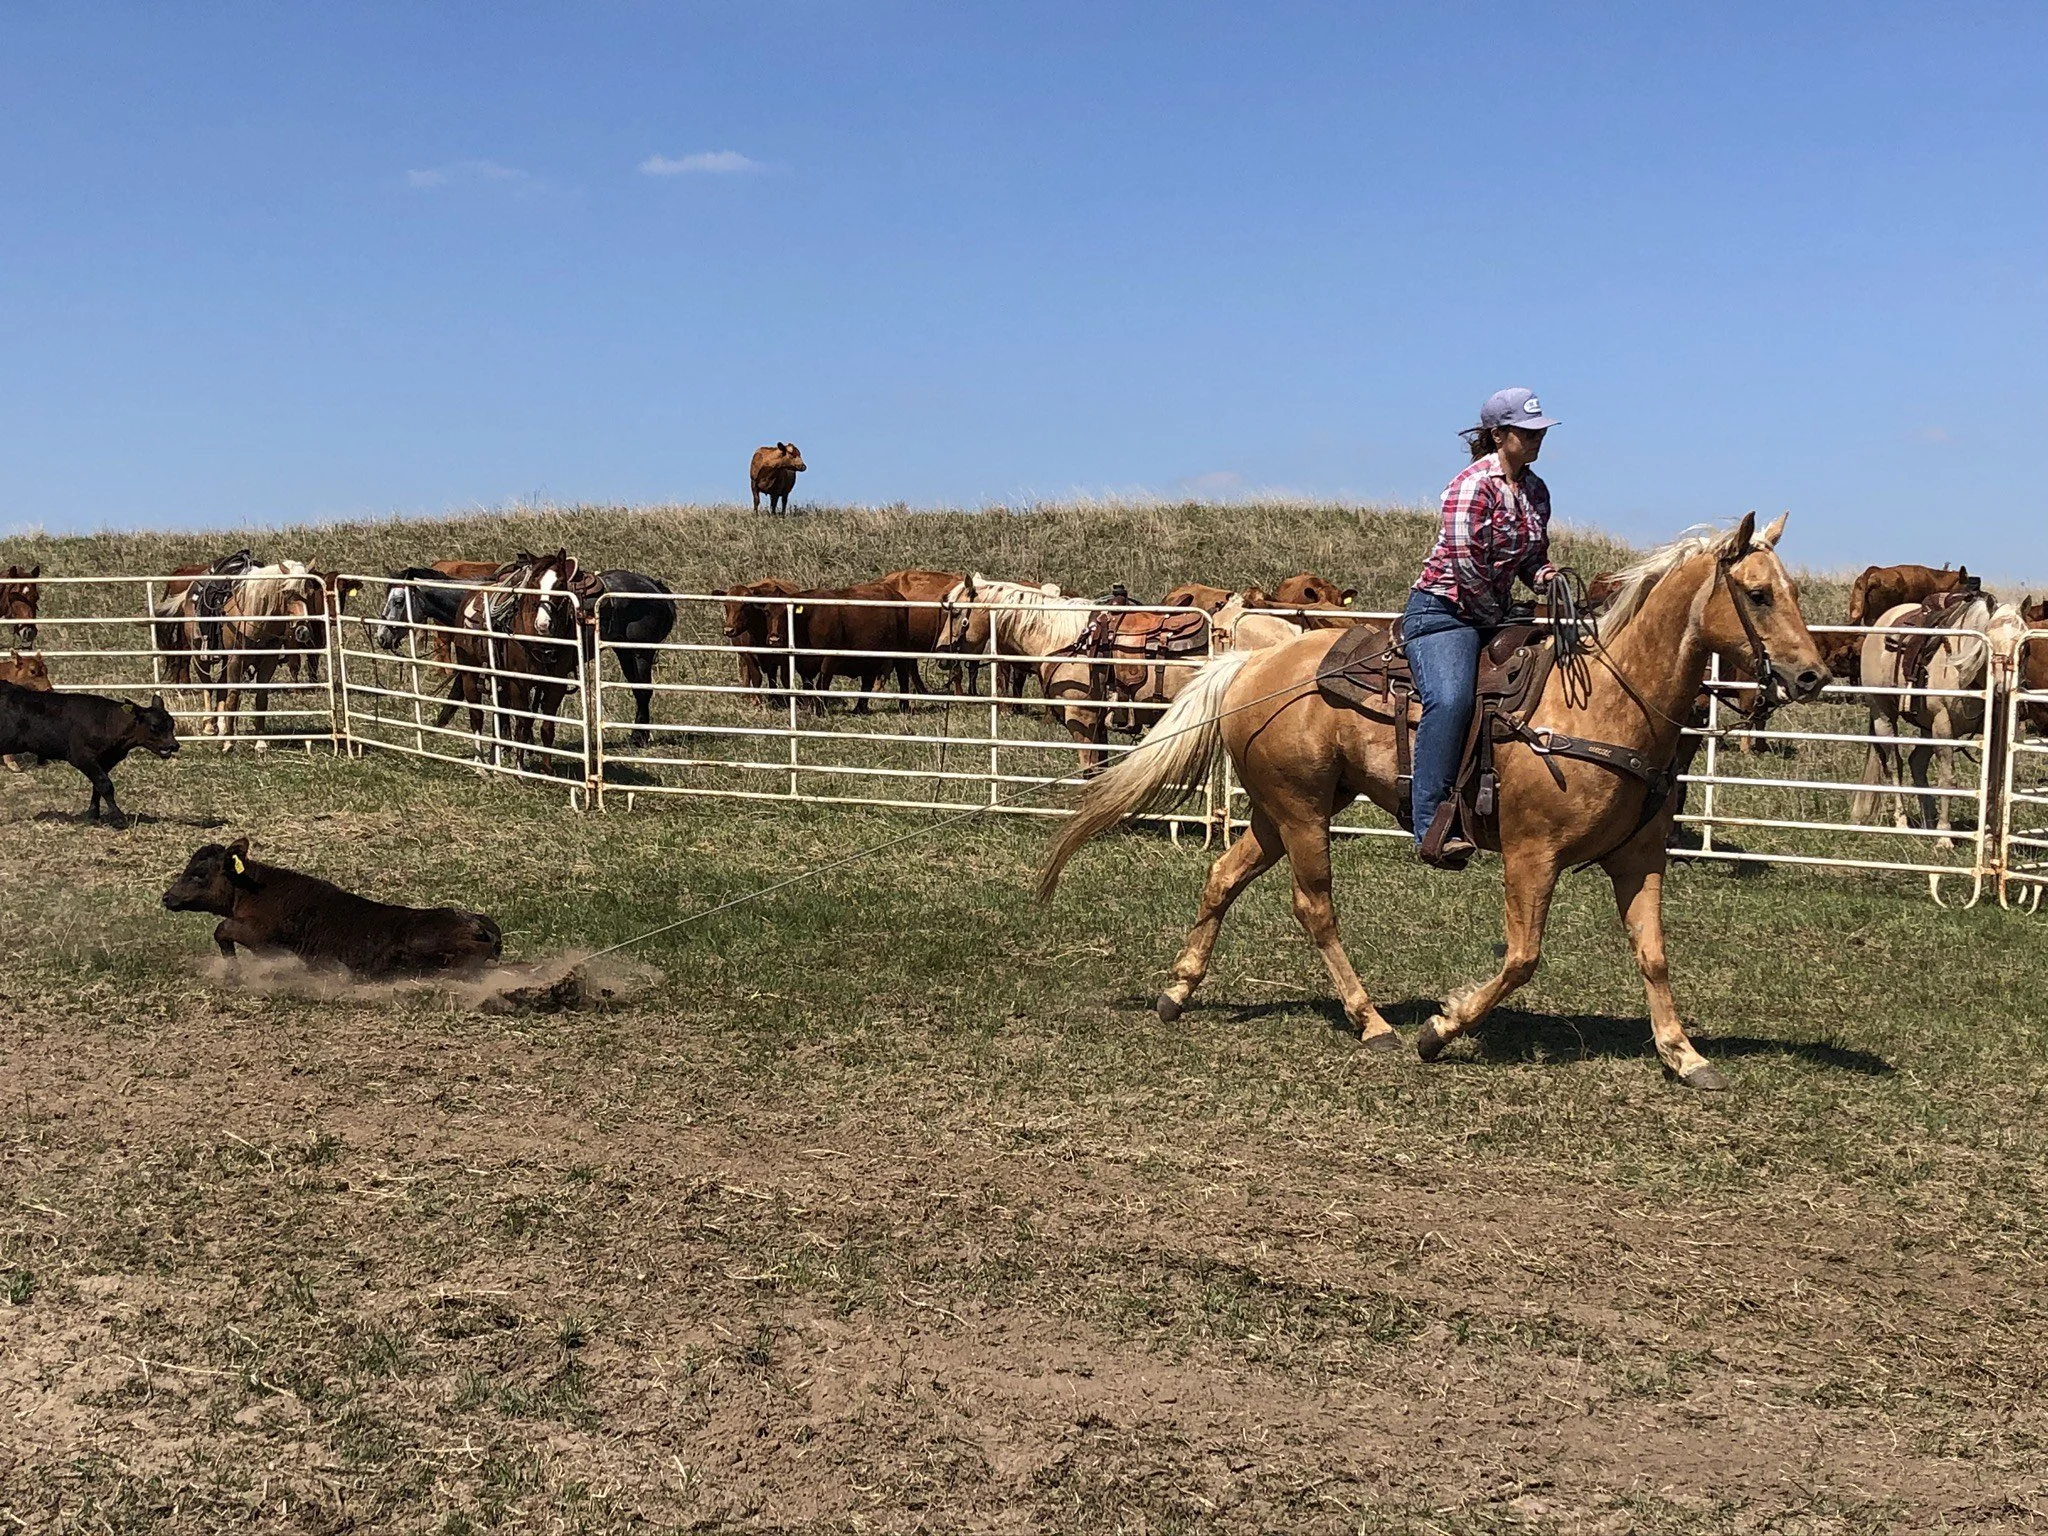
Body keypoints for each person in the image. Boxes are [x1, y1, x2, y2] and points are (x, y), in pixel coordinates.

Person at [1404, 387, 1562, 865]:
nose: (1537, 439)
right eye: (1526, 431)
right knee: (1450, 699)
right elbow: (1464, 561)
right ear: (1499, 434)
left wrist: (1547, 578)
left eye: (1540, 431)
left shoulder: (1535, 491)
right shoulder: (1471, 486)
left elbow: (1532, 557)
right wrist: (1494, 613)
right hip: (1443, 611)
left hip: (1492, 610)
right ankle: (1429, 822)